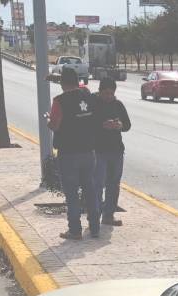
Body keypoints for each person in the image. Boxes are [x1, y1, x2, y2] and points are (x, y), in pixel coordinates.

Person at [48, 67, 99, 240]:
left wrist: (48, 119)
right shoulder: (89, 97)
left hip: (68, 153)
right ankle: (95, 227)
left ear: (62, 83)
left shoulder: (59, 101)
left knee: (71, 193)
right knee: (90, 190)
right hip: (89, 152)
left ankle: (75, 230)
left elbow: (55, 125)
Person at [93, 78, 132, 228]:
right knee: (97, 184)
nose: (109, 96)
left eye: (111, 93)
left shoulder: (118, 105)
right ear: (100, 91)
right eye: (106, 93)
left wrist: (119, 125)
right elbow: (87, 124)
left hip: (116, 150)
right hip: (99, 151)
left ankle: (108, 215)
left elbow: (127, 125)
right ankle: (94, 216)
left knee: (113, 184)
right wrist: (102, 125)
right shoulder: (94, 104)